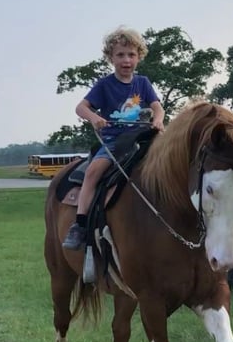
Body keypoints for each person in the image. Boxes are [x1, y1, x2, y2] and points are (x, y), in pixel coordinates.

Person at [62, 26, 165, 251]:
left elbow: (158, 108)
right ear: (111, 58)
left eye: (131, 55)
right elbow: (81, 107)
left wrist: (157, 120)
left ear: (139, 57)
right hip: (113, 142)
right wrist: (94, 117)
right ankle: (79, 225)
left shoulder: (143, 83)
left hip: (141, 136)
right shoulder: (104, 85)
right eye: (120, 55)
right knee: (92, 173)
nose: (126, 60)